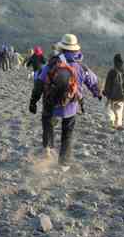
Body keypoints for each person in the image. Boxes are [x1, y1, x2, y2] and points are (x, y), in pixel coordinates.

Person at [28, 34, 102, 168]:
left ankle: (48, 148)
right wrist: (98, 94)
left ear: (62, 48)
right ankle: (64, 164)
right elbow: (94, 82)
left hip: (51, 104)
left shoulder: (52, 63)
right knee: (67, 133)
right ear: (75, 50)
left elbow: (39, 82)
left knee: (47, 122)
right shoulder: (81, 67)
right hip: (70, 106)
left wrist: (33, 101)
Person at [102, 53, 124, 128]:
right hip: (122, 98)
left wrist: (105, 93)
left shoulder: (112, 72)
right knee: (119, 112)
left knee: (110, 112)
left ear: (115, 61)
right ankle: (118, 125)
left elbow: (107, 85)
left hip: (112, 98)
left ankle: (112, 124)